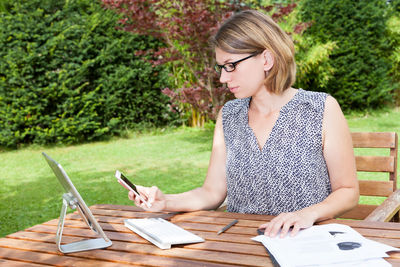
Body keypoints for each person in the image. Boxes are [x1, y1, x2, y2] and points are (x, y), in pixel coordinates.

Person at [124, 10, 359, 238]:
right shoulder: (229, 115)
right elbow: (212, 192)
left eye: (231, 65)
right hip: (241, 244)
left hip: (307, 244)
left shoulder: (321, 108)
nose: (223, 78)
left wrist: (307, 214)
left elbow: (348, 192)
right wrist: (166, 201)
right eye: (221, 67)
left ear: (266, 59)